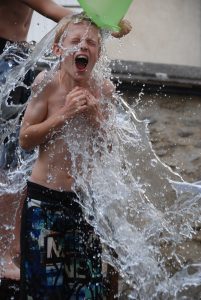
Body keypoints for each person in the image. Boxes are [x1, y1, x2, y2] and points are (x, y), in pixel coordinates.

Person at [19, 12, 118, 299]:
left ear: (98, 54)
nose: (84, 46)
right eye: (75, 40)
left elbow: (109, 148)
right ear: (58, 49)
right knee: (45, 291)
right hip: (44, 203)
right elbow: (26, 140)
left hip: (84, 204)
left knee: (86, 290)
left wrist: (96, 114)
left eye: (92, 42)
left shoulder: (104, 90)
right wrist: (63, 115)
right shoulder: (46, 84)